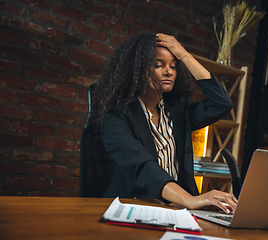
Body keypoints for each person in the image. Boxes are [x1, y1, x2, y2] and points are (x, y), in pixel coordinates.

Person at [89, 32, 237, 213]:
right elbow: (142, 166)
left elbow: (222, 104)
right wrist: (189, 200)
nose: (168, 71)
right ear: (137, 69)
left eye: (174, 66)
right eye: (158, 65)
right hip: (135, 207)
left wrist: (185, 55)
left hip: (180, 209)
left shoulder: (179, 110)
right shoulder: (115, 116)